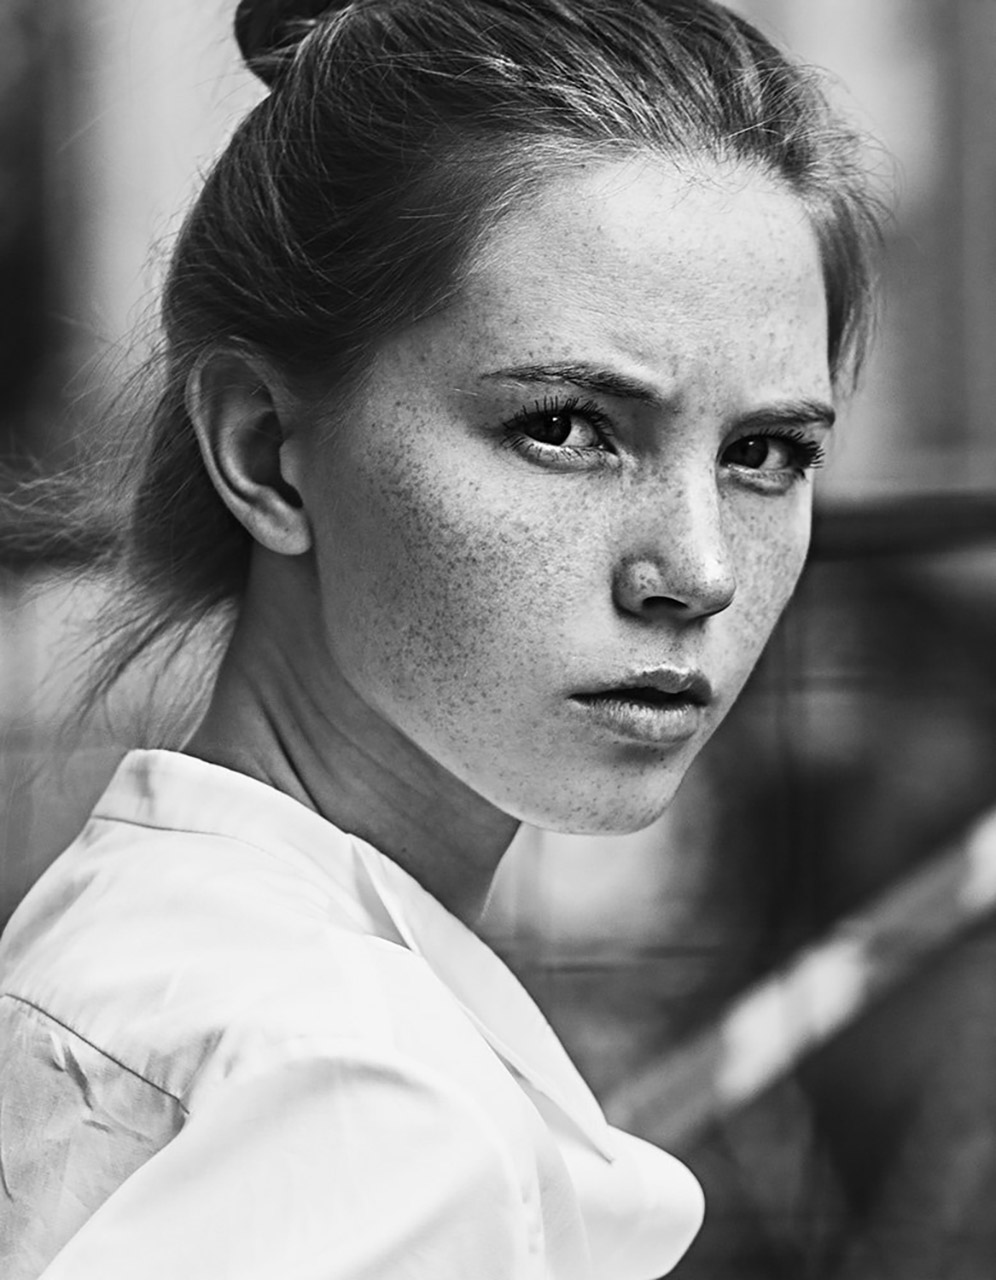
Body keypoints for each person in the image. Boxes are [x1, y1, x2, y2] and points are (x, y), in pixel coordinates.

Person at [0, 0, 882, 1276]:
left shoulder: (145, 938)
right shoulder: (368, 1103)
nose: (697, 571)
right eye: (564, 427)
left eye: (766, 452)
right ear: (266, 450)